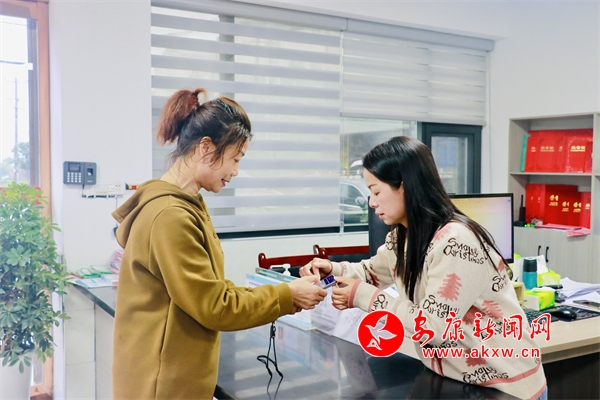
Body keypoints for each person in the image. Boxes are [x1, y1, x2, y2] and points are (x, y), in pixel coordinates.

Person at [111, 88, 327, 400]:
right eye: (235, 158)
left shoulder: (185, 205)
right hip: (162, 384)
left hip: (165, 372)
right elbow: (214, 306)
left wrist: (283, 295)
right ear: (205, 147)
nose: (236, 171)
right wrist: (286, 295)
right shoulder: (171, 215)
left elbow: (210, 289)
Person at [300, 136, 547, 400]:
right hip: (458, 381)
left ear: (405, 186)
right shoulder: (404, 237)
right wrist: (332, 270)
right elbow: (371, 272)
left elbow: (433, 326)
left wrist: (364, 296)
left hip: (506, 388)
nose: (371, 202)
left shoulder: (455, 241)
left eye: (376, 191)